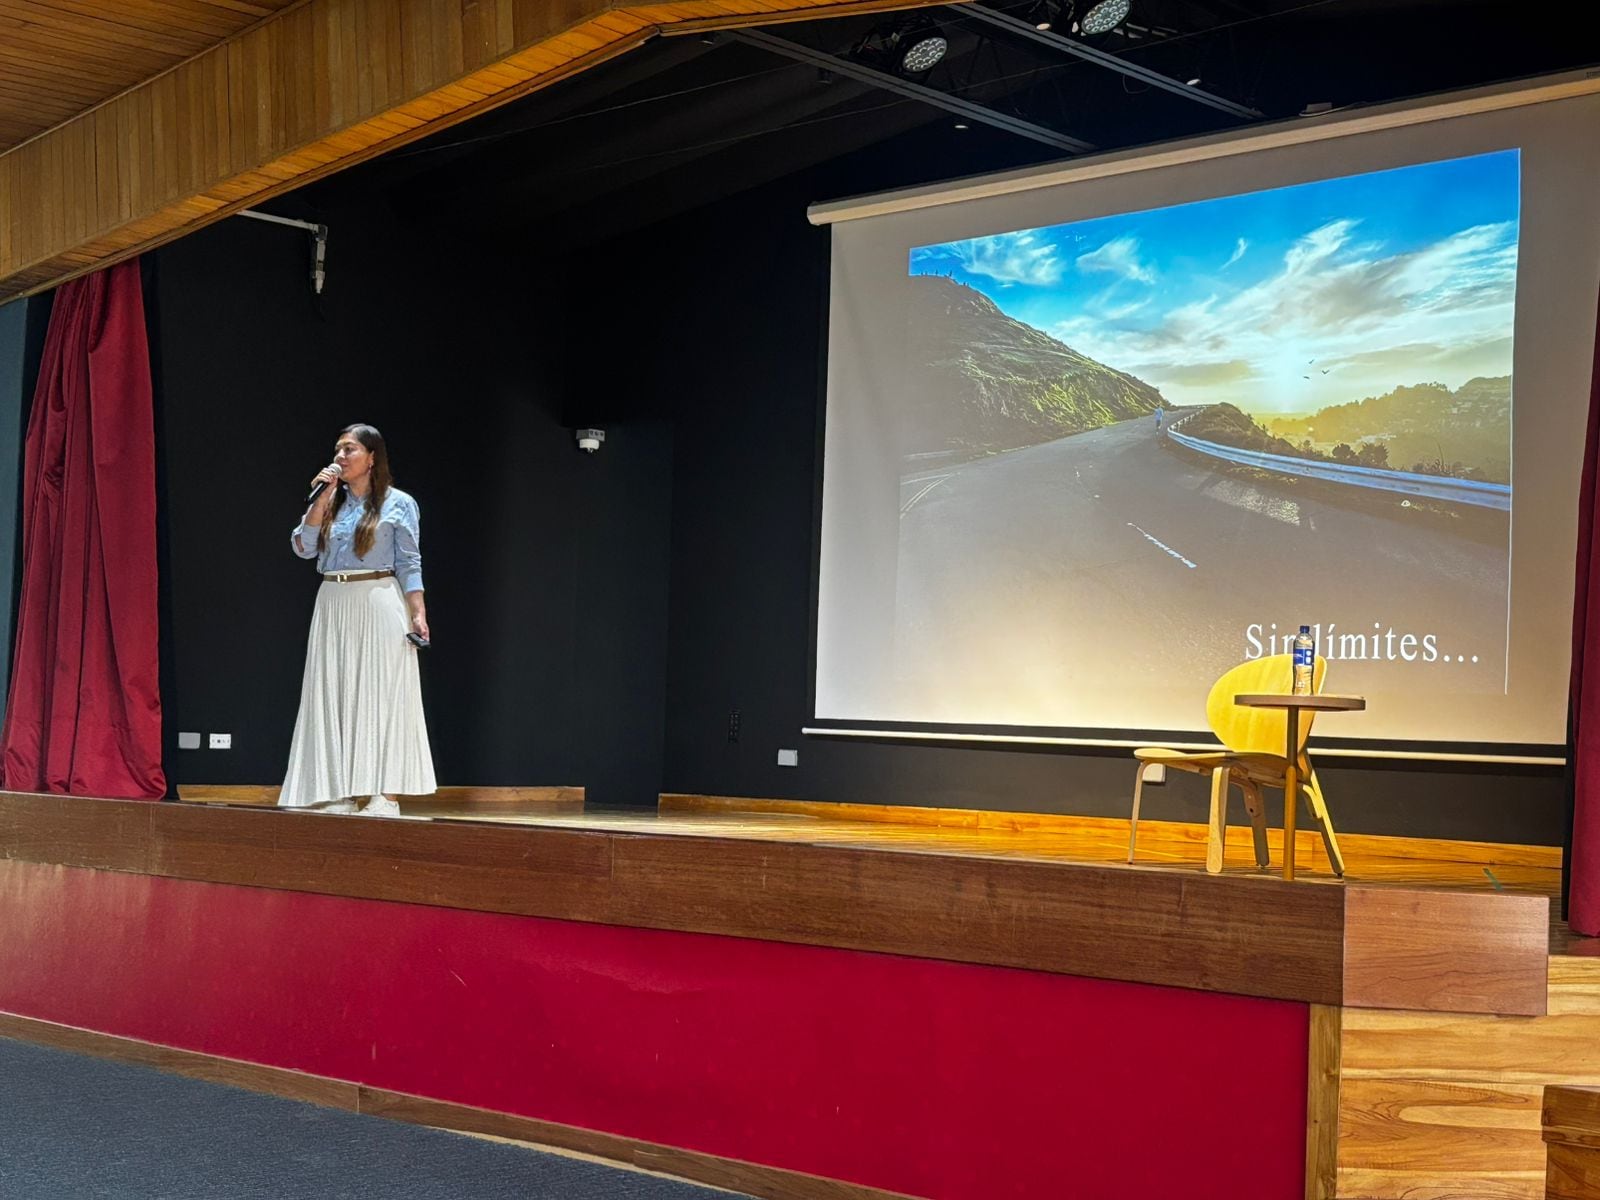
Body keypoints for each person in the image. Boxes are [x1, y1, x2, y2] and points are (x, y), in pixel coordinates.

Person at [278, 424, 436, 816]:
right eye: (338, 449)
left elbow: (409, 562)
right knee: (334, 691)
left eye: (349, 449)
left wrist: (418, 612)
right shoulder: (330, 501)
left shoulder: (399, 503)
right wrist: (321, 499)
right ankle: (337, 790)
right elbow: (303, 547)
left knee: (381, 693)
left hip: (378, 597)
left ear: (372, 457)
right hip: (333, 599)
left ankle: (385, 796)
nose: (340, 457)